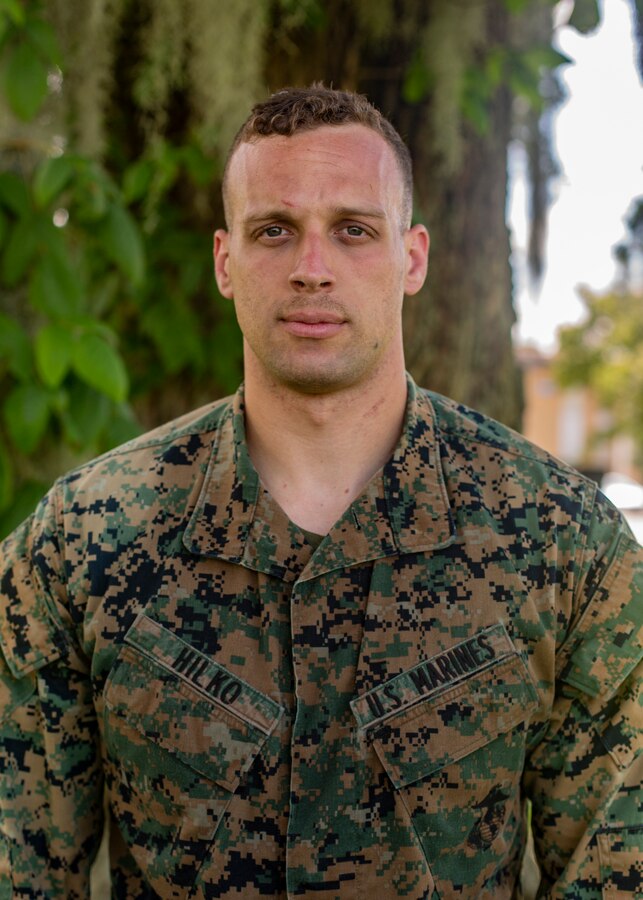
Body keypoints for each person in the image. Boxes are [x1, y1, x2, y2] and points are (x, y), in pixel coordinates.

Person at [0, 84, 641, 900]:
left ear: (411, 258)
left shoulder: (560, 540)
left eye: (352, 231)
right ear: (225, 262)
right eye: (274, 230)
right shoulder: (86, 536)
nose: (311, 268)